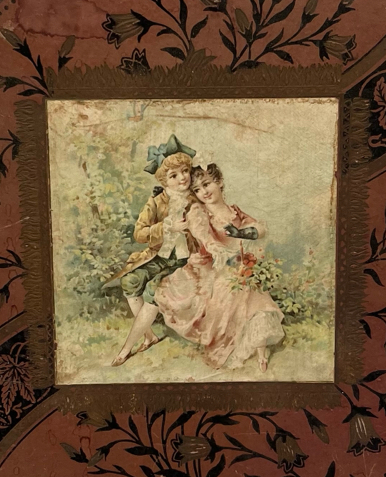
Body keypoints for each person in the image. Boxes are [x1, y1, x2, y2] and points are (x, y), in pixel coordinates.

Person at [155, 163, 285, 372]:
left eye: (207, 184)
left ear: (220, 182)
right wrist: (219, 251)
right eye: (197, 189)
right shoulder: (199, 212)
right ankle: (234, 344)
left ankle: (261, 352)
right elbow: (204, 237)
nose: (204, 192)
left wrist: (242, 234)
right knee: (234, 288)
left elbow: (259, 228)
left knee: (253, 289)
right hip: (210, 267)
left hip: (235, 265)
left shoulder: (234, 211)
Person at [104, 135, 198, 366]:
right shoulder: (156, 202)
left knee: (154, 289)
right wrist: (166, 227)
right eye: (173, 175)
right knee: (130, 281)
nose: (182, 178)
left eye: (185, 171)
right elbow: (139, 233)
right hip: (160, 256)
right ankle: (149, 336)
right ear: (164, 180)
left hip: (186, 260)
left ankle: (126, 349)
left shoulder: (197, 198)